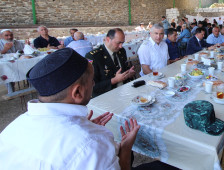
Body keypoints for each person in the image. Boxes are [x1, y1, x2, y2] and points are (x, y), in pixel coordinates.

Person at [0, 48, 139, 169]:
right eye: (92, 81)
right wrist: (126, 149)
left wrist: (82, 127)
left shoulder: (11, 128)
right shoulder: (92, 144)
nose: (94, 84)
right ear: (77, 93)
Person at [85, 28, 135, 97]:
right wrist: (114, 80)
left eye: (122, 43)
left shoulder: (121, 51)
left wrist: (128, 74)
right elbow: (91, 86)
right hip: (106, 96)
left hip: (124, 91)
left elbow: (124, 70)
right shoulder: (92, 56)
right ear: (108, 39)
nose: (121, 46)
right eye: (118, 43)